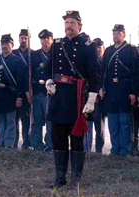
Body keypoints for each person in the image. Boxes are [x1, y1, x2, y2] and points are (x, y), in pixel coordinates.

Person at [46, 11, 99, 188]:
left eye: (72, 22)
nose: (68, 25)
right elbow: (48, 68)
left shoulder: (88, 46)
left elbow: (94, 74)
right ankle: (60, 177)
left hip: (77, 98)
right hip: (59, 96)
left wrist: (92, 97)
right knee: (58, 137)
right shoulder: (57, 44)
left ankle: (75, 179)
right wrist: (48, 81)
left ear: (79, 26)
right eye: (66, 22)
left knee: (76, 139)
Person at [99, 24, 139, 156]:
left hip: (125, 90)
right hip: (111, 90)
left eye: (118, 33)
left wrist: (133, 92)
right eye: (114, 33)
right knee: (113, 121)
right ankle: (115, 149)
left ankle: (125, 150)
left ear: (123, 34)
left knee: (124, 121)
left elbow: (135, 73)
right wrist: (101, 87)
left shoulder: (131, 50)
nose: (115, 35)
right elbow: (103, 71)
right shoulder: (109, 50)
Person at [0, 34, 25, 148]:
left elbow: (21, 81)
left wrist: (19, 97)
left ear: (12, 45)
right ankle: (0, 143)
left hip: (10, 95)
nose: (5, 46)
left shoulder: (17, 61)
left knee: (10, 122)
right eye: (3, 43)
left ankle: (8, 145)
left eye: (7, 44)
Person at [30, 29, 53, 151]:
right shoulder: (34, 55)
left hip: (50, 93)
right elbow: (29, 73)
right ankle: (36, 144)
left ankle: (50, 144)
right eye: (43, 39)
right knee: (36, 120)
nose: (45, 41)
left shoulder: (55, 54)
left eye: (47, 39)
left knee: (50, 121)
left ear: (51, 40)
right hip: (37, 91)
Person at [83, 38, 106, 153]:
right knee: (87, 125)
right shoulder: (89, 61)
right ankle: (86, 149)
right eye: (95, 47)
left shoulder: (104, 63)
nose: (97, 50)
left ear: (103, 48)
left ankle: (98, 150)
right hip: (88, 98)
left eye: (99, 47)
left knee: (99, 127)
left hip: (99, 99)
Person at [13, 29, 33, 149]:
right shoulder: (13, 53)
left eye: (26, 38)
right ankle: (14, 143)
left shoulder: (33, 54)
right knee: (14, 120)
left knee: (26, 120)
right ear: (18, 39)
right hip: (15, 92)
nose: (23, 40)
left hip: (28, 93)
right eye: (22, 38)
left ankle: (26, 143)